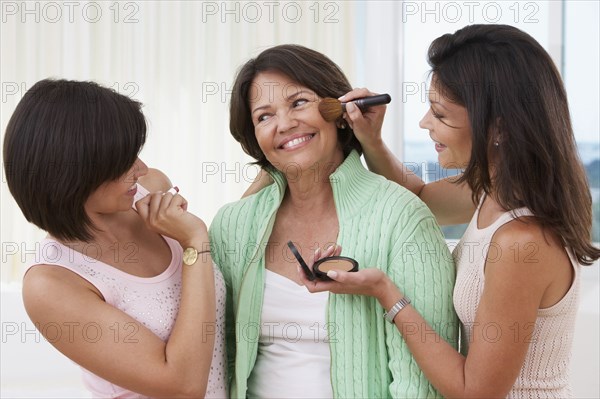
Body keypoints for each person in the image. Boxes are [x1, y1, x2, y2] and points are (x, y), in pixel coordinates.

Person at [306, 24, 600, 398]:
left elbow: (473, 391)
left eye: (440, 115)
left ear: (499, 128)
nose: (425, 124)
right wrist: (371, 138)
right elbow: (421, 198)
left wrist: (387, 294)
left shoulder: (520, 243)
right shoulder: (494, 194)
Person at [209, 44, 458, 398]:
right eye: (264, 116)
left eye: (298, 103)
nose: (284, 124)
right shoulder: (231, 226)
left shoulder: (402, 217)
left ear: (341, 111)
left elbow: (421, 384)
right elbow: (221, 362)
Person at [3, 79, 227, 398]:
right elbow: (183, 385)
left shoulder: (151, 188)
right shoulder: (51, 283)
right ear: (73, 172)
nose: (142, 168)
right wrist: (195, 243)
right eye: (124, 162)